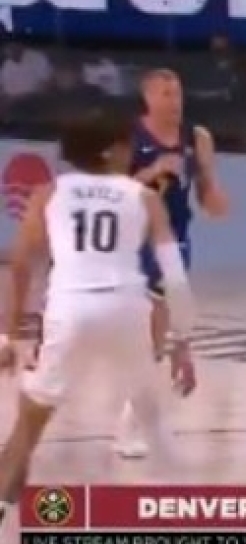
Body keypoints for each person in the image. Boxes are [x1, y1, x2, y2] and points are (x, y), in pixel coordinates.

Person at [0, 113, 197, 523]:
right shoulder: (143, 197)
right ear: (110, 150)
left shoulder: (49, 193)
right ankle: (187, 513)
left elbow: (20, 264)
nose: (132, 150)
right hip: (128, 310)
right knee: (154, 423)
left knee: (27, 427)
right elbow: (175, 277)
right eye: (126, 143)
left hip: (70, 311)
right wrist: (182, 343)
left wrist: (9, 334)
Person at [117, 68, 228, 459]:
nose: (174, 101)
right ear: (147, 98)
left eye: (177, 93)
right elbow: (112, 191)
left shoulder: (197, 138)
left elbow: (208, 192)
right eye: (165, 94)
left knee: (157, 331)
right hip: (133, 237)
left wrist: (215, 200)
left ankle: (134, 419)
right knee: (135, 330)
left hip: (174, 239)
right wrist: (152, 172)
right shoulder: (129, 136)